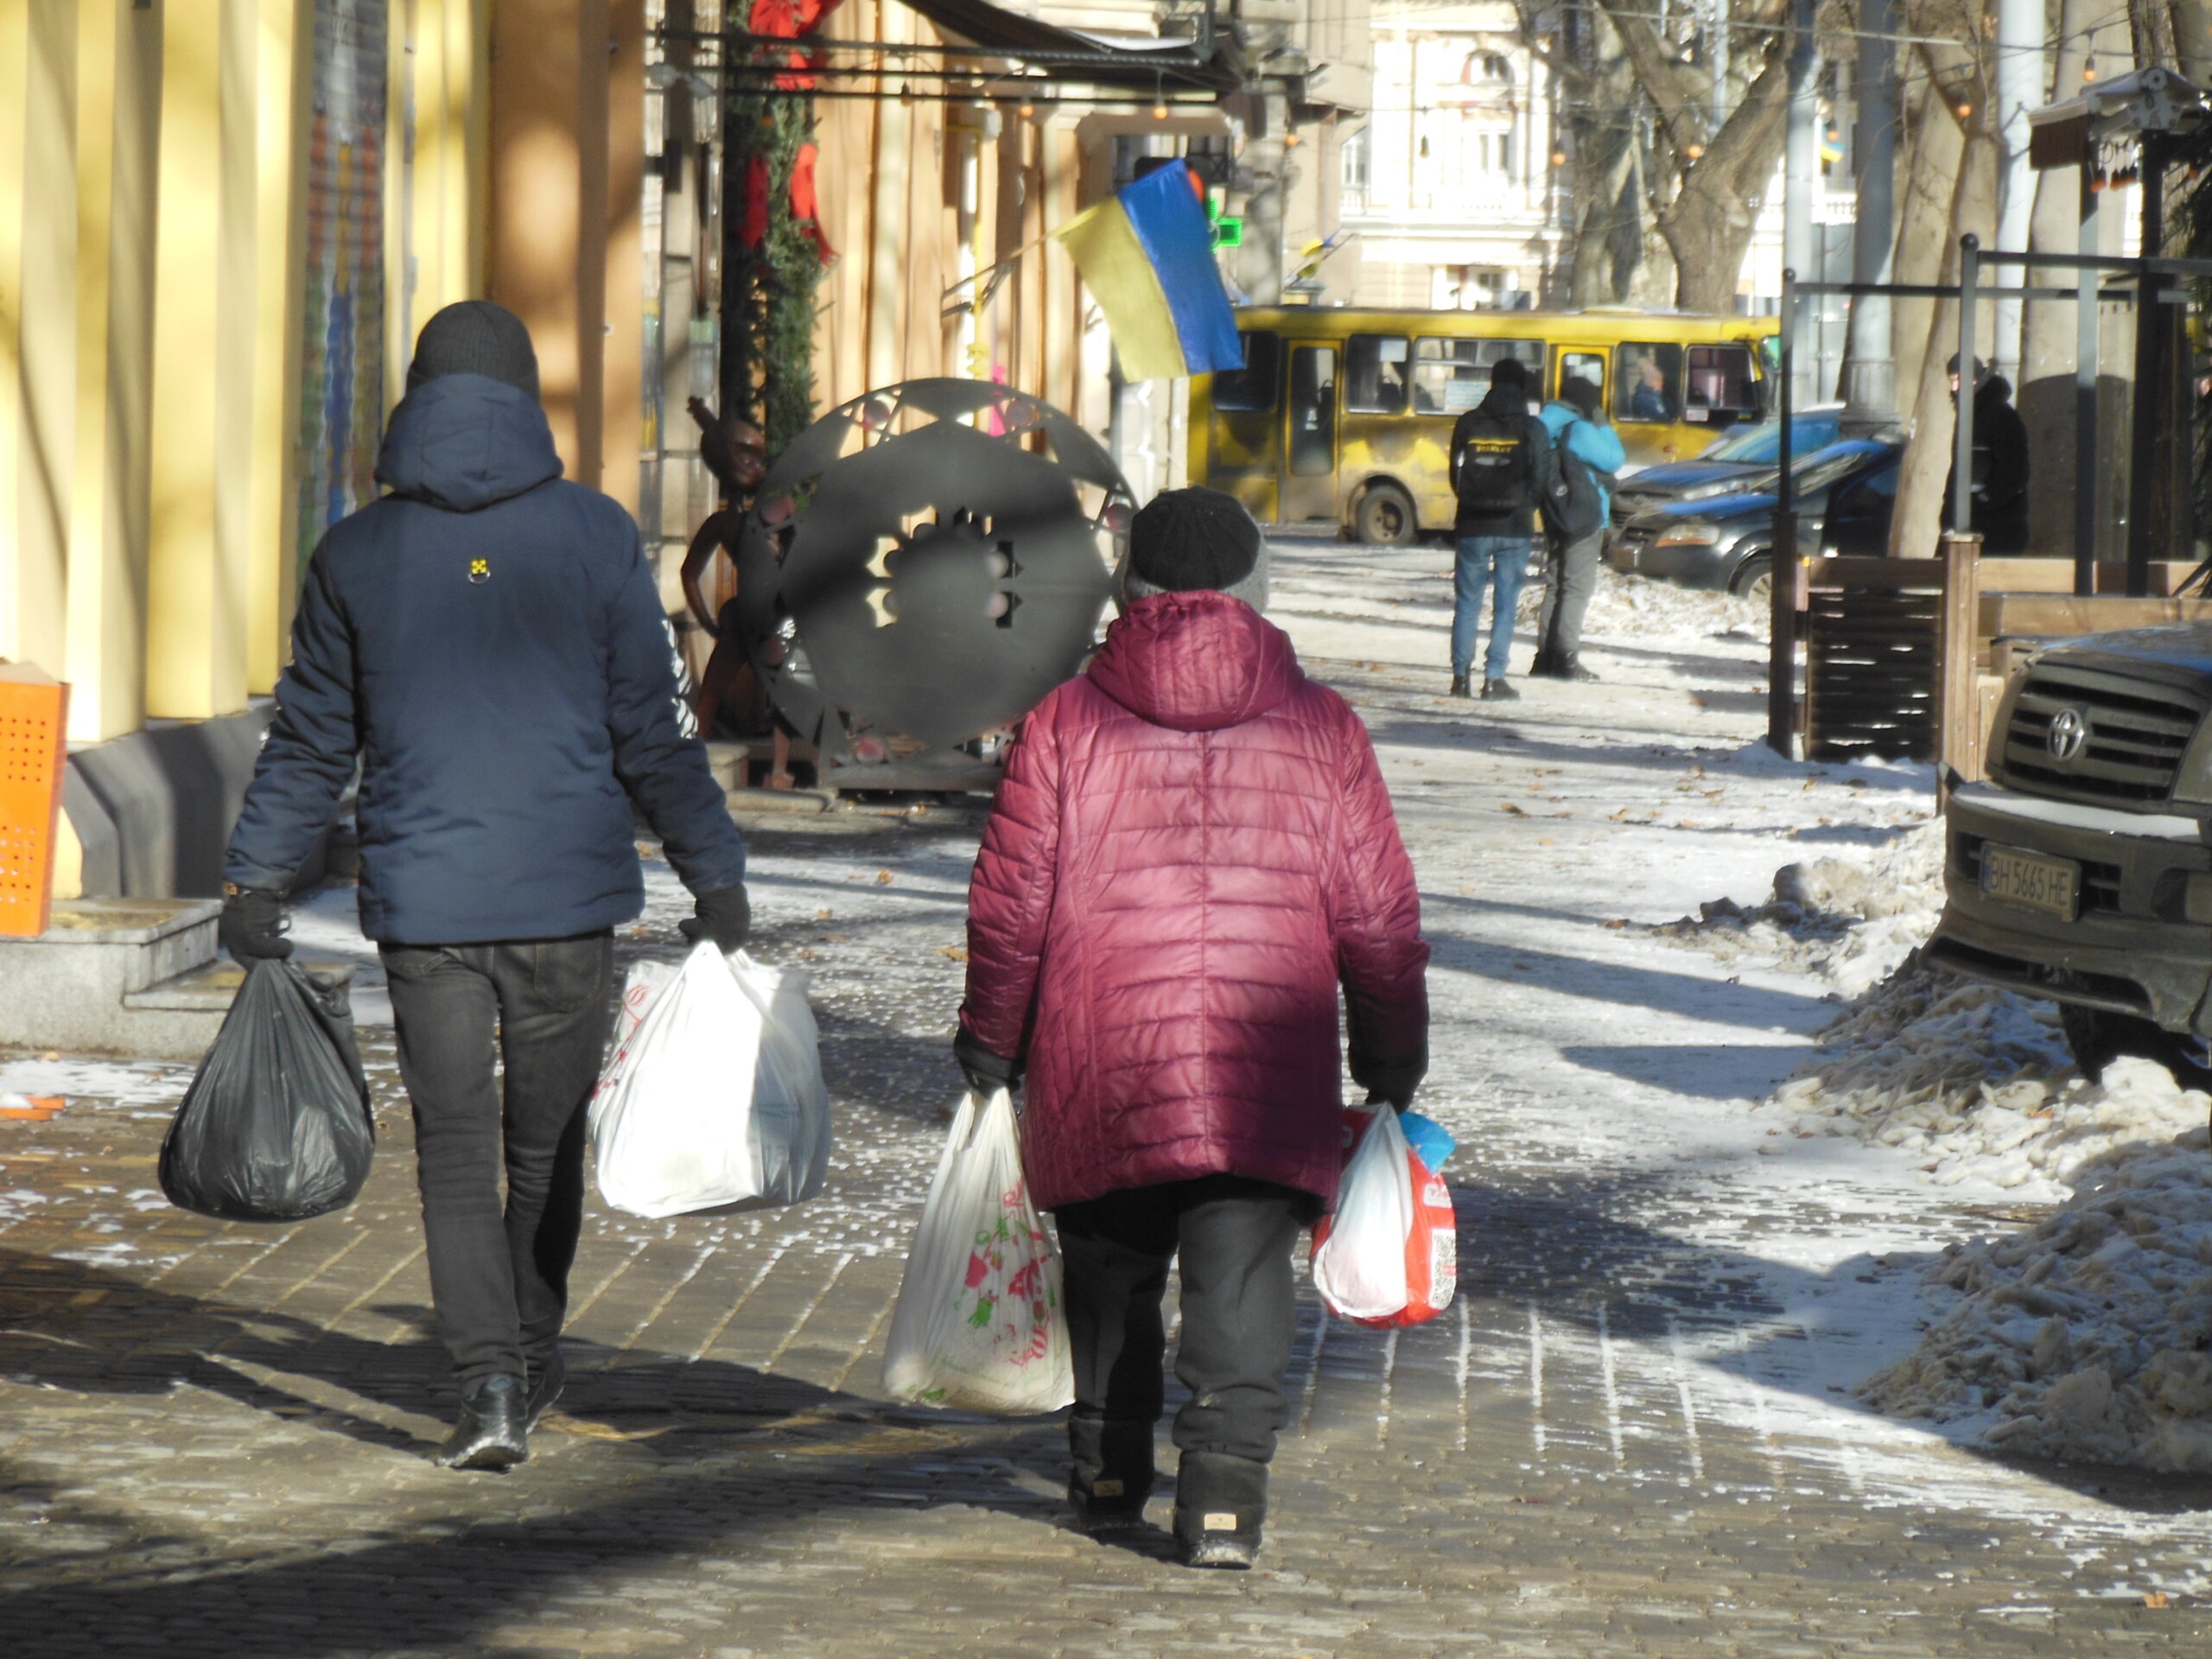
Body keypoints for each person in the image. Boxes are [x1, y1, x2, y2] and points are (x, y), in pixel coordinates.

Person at [219, 301, 752, 1472]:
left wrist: (257, 877)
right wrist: (712, 875)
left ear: (417, 398)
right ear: (526, 399)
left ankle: (490, 1390)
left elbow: (309, 739)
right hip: (566, 901)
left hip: (425, 906)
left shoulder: (356, 552)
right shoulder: (595, 536)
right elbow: (653, 734)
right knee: (541, 1143)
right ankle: (529, 1344)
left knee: (455, 1148)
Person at [957, 487, 1429, 1570]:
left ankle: (1111, 1466)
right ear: (1254, 588)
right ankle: (1220, 1500)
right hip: (1269, 1055)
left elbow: (1011, 900)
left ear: (1133, 588)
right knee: (1241, 1280)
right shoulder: (1322, 726)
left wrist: (992, 1037)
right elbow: (1377, 914)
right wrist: (1392, 1053)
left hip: (1104, 1054)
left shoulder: (1066, 719)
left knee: (1110, 1268)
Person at [1447, 358, 1553, 701]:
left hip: (1472, 525)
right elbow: (1541, 476)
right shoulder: (1533, 428)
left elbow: (1455, 473)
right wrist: (1525, 506)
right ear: (1523, 387)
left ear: (1491, 382)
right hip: (1515, 528)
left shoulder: (1468, 422)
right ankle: (1494, 679)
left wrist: (1471, 501)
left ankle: (1460, 678)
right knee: (1506, 604)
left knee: (1468, 602)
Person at [1533, 377, 1626, 682]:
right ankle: (1566, 660)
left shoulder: (1544, 425)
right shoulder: (1581, 429)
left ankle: (1545, 657)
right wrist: (1602, 423)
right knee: (1576, 588)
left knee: (1555, 584)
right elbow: (1614, 459)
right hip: (1583, 517)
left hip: (1554, 513)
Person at [1942, 353, 2030, 555]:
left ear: (1977, 380)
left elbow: (2015, 472)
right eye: (1952, 381)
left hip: (1994, 529)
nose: (1954, 388)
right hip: (1972, 524)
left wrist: (1984, 501)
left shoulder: (1999, 416)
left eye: (1959, 380)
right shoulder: (1972, 416)